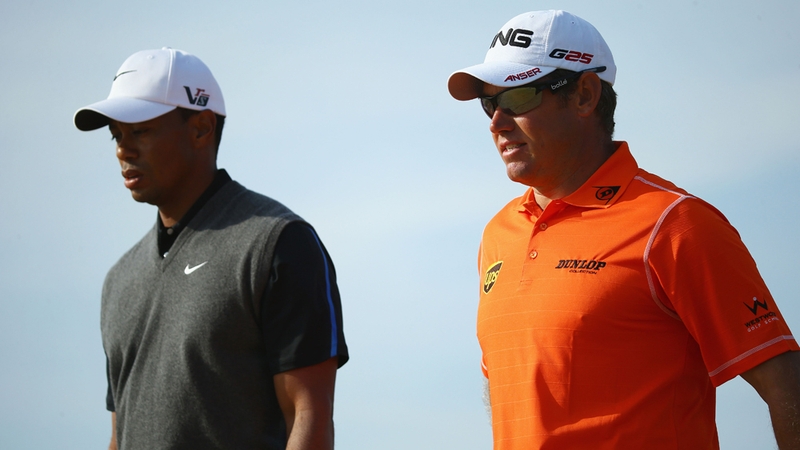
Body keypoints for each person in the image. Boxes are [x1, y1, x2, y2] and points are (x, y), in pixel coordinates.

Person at [447, 10, 800, 450]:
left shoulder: (674, 222)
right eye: (489, 103)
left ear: (584, 95)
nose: (496, 122)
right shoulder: (497, 234)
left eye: (518, 97)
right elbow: (511, 388)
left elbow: (786, 382)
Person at [73, 48, 348, 450]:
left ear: (201, 127)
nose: (122, 150)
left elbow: (309, 418)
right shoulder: (119, 280)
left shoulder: (278, 243)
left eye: (141, 131)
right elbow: (121, 435)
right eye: (117, 134)